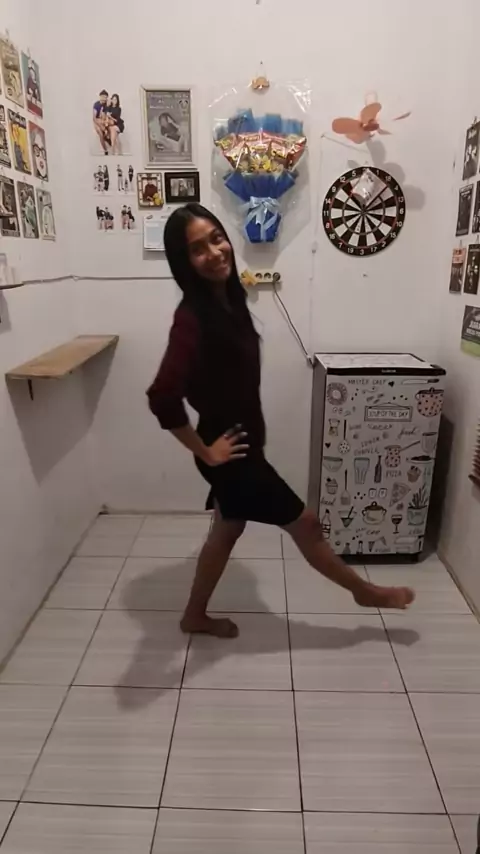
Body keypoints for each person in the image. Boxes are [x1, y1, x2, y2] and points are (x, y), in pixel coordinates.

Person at [147, 204, 415, 638]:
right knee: (305, 524)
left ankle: (194, 615)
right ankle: (365, 592)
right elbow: (162, 395)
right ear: (184, 262)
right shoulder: (192, 317)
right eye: (197, 249)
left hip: (240, 444)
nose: (214, 252)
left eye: (216, 238)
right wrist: (205, 451)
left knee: (227, 528)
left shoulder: (228, 300)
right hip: (232, 453)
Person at [93, 89, 109, 154]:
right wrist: (101, 126)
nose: (104, 99)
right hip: (96, 121)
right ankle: (105, 150)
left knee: (107, 130)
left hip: (102, 120)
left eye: (105, 97)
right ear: (100, 97)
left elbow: (106, 116)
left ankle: (107, 137)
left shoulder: (106, 105)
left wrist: (105, 123)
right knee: (100, 133)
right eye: (103, 97)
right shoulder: (96, 104)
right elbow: (94, 118)